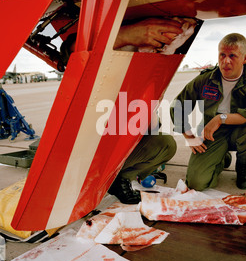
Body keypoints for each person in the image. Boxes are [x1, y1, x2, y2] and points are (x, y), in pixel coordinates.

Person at [60, 18, 181, 204]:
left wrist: (149, 105)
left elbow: (152, 128)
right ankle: (100, 179)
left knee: (165, 143)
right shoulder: (90, 82)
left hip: (116, 147)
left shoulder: (132, 80)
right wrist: (129, 34)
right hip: (87, 153)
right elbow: (74, 50)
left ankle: (119, 178)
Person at [170, 33, 246, 191]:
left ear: (245, 58)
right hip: (213, 134)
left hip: (242, 130)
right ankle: (221, 158)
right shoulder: (206, 78)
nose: (226, 61)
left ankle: (243, 166)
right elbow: (178, 105)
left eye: (232, 56)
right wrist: (189, 136)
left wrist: (220, 118)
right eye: (222, 55)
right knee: (196, 184)